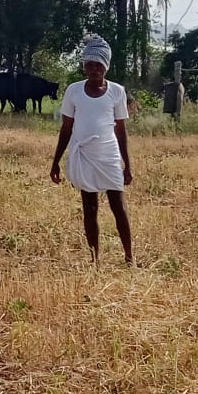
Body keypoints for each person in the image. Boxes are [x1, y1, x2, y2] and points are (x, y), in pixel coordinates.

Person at [50, 35, 134, 265]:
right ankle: (94, 260)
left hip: (109, 156)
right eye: (90, 65)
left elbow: (121, 130)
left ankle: (129, 257)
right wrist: (55, 162)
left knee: (118, 206)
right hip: (84, 155)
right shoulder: (73, 91)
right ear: (84, 66)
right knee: (90, 208)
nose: (94, 69)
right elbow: (66, 128)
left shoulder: (117, 91)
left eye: (99, 65)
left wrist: (128, 165)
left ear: (106, 66)